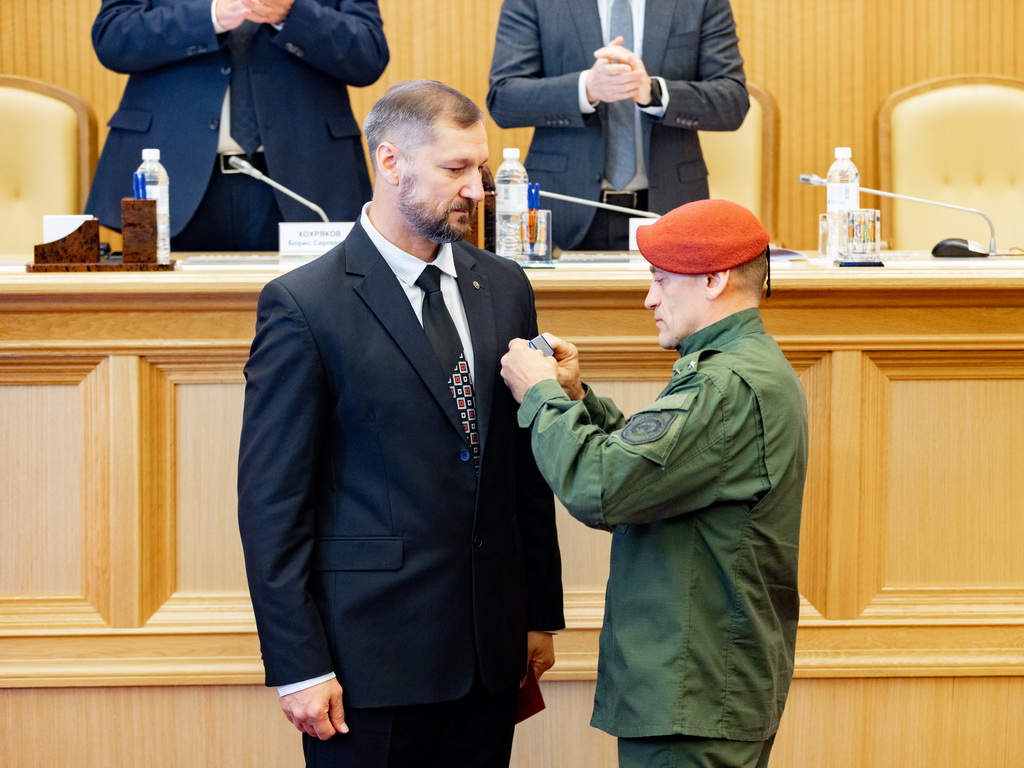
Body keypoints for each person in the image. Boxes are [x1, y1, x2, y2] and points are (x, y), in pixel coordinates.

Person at [237, 80, 564, 768]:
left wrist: (537, 613)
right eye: (456, 169)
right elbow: (273, 504)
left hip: (489, 651)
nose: (478, 189)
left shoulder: (505, 285)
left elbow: (522, 466)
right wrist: (298, 664)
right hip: (368, 664)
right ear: (390, 162)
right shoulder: (304, 304)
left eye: (480, 167)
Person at [500, 199, 808, 768]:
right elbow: (654, 473)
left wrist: (537, 394)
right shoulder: (745, 365)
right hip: (706, 684)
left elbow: (602, 487)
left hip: (693, 691)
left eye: (662, 279)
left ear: (714, 280)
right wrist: (575, 397)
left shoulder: (722, 385)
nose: (650, 298)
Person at [85, 0, 389, 252]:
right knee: (166, 307)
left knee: (308, 306)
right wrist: (211, 16)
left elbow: (368, 54)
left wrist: (292, 15)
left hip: (305, 175)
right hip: (173, 174)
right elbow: (113, 36)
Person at [487, 0, 749, 252]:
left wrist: (655, 93)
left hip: (671, 209)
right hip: (563, 211)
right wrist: (586, 88)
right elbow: (504, 99)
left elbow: (733, 101)